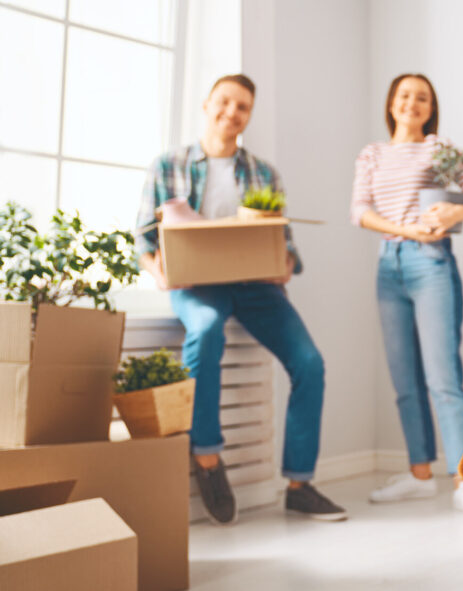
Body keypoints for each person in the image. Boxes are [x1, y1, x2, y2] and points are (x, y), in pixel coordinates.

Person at [136, 74, 345, 524]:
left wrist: (283, 266)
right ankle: (208, 460)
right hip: (196, 286)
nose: (232, 113)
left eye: (243, 107)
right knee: (206, 331)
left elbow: (284, 244)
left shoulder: (263, 172)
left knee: (310, 364)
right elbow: (143, 238)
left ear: (249, 116)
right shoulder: (167, 164)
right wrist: (160, 274)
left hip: (257, 288)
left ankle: (299, 484)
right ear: (207, 104)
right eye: (225, 102)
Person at [350, 73, 463, 518]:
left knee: (442, 377)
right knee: (404, 380)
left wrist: (455, 210)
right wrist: (403, 229)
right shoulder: (372, 154)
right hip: (388, 267)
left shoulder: (440, 149)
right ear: (391, 103)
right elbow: (359, 212)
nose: (412, 102)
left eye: (422, 97)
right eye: (405, 95)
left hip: (430, 262)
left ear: (431, 108)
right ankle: (417, 475)